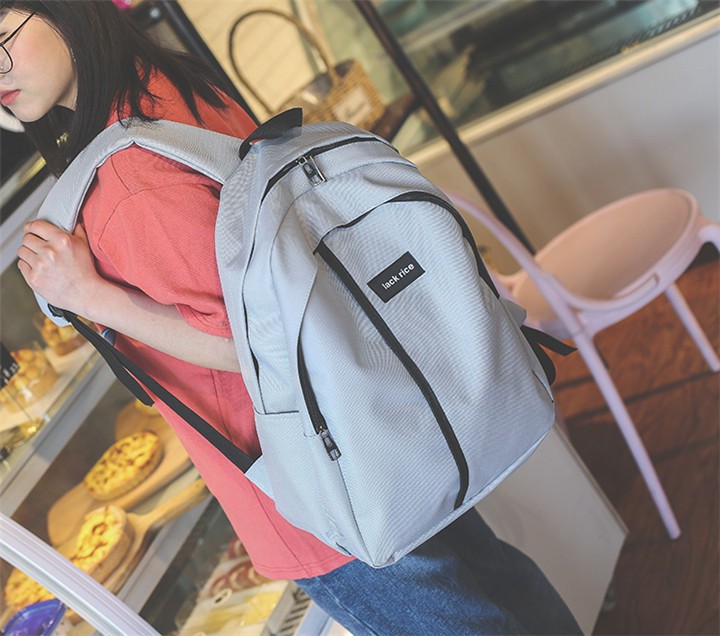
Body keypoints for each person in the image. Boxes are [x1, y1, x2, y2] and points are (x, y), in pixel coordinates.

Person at [6, 2, 582, 634]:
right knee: (498, 580)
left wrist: (91, 298)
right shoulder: (167, 82)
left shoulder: (128, 179)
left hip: (312, 473)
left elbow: (254, 343)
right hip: (378, 410)